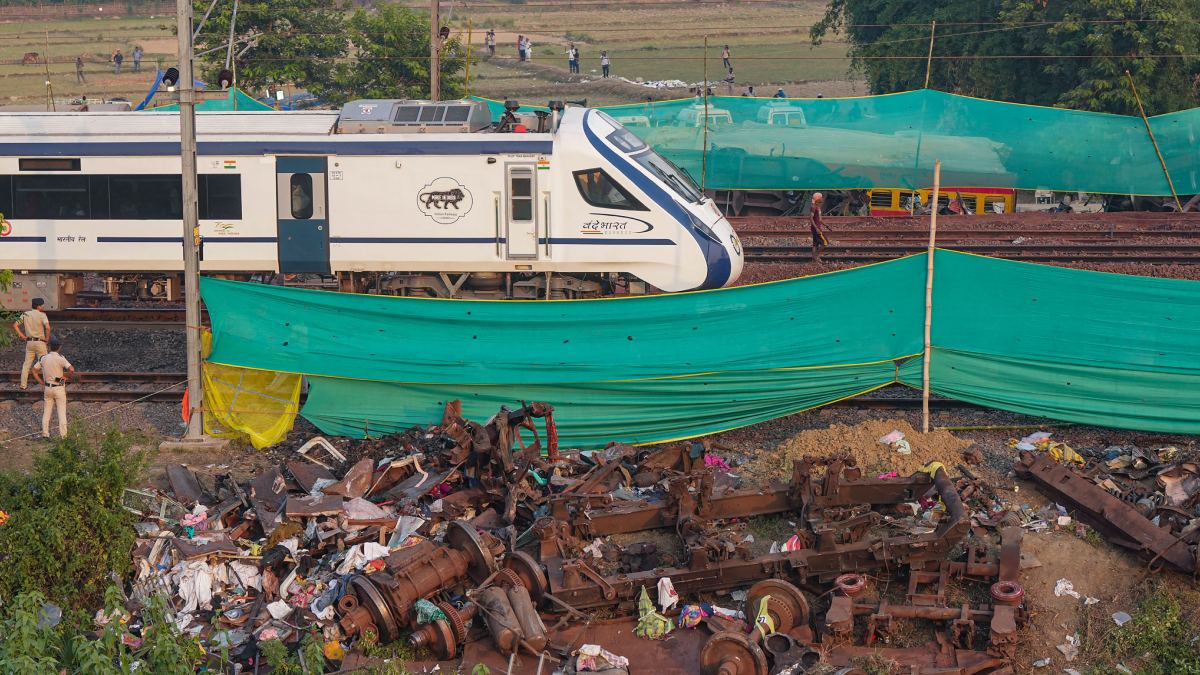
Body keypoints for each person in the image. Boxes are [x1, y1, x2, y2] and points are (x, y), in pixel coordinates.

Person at [32, 338, 74, 439]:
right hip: (59, 387)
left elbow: (34, 370)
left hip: (47, 388)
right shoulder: (61, 358)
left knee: (46, 412)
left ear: (49, 347)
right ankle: (63, 436)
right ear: (59, 347)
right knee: (61, 413)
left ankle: (45, 434)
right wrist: (66, 377)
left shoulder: (43, 358)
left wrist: (40, 381)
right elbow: (72, 369)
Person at [13, 298, 50, 390]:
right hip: (40, 342)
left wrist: (22, 336)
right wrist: (47, 339)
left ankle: (23, 385)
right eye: (42, 305)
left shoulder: (25, 314)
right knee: (44, 363)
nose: (43, 306)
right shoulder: (42, 315)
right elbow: (48, 328)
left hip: (29, 342)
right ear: (38, 306)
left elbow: (15, 325)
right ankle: (47, 385)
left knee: (26, 364)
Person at [809, 192, 830, 262]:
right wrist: (816, 228)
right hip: (816, 229)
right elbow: (811, 219)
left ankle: (814, 260)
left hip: (816, 228)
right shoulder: (813, 207)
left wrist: (826, 225)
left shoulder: (818, 207)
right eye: (821, 197)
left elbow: (820, 219)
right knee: (825, 243)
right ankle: (816, 256)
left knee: (815, 244)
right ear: (817, 199)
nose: (822, 198)